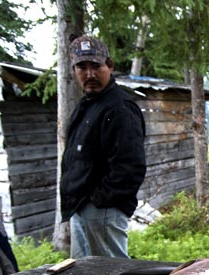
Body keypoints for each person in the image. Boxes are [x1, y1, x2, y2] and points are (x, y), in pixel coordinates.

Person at [61, 35, 146, 259]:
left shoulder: (119, 107)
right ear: (73, 69)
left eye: (96, 66)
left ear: (109, 65)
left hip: (102, 211)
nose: (89, 74)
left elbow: (130, 168)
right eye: (82, 67)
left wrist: (98, 202)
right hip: (82, 208)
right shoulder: (88, 104)